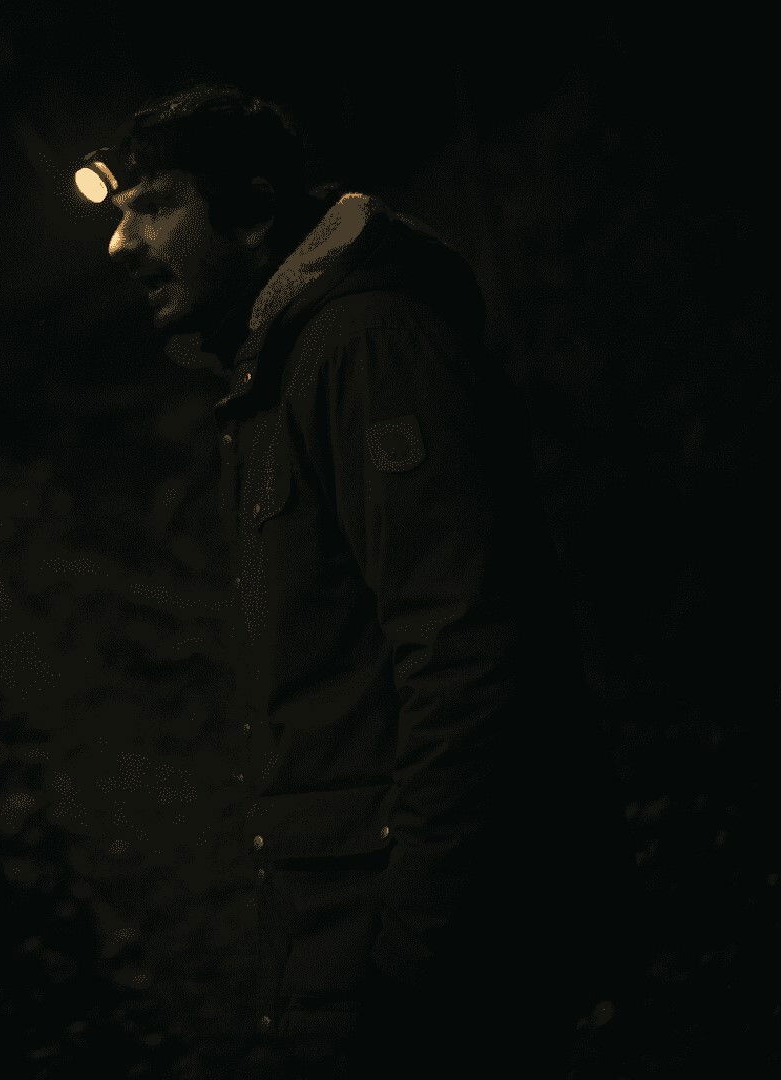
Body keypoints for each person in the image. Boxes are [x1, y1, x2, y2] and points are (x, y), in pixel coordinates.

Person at [78, 87, 623, 1075]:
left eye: (154, 206)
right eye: (121, 214)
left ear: (251, 210)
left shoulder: (365, 347)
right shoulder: (277, 366)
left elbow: (468, 654)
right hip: (346, 918)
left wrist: (417, 943)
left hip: (415, 944)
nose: (122, 244)